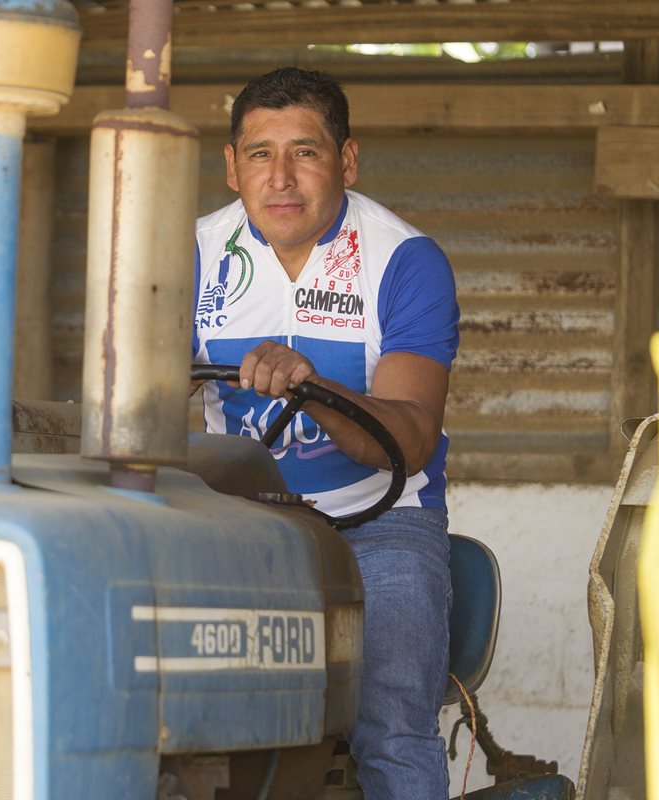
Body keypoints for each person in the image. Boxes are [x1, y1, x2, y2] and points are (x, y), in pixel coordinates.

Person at [191, 67, 460, 800]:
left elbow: (406, 442)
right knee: (183, 717)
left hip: (379, 524)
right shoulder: (192, 254)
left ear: (346, 160)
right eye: (259, 154)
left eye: (305, 152)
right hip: (242, 527)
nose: (280, 177)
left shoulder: (405, 260)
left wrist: (313, 387)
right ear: (231, 165)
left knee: (394, 728)